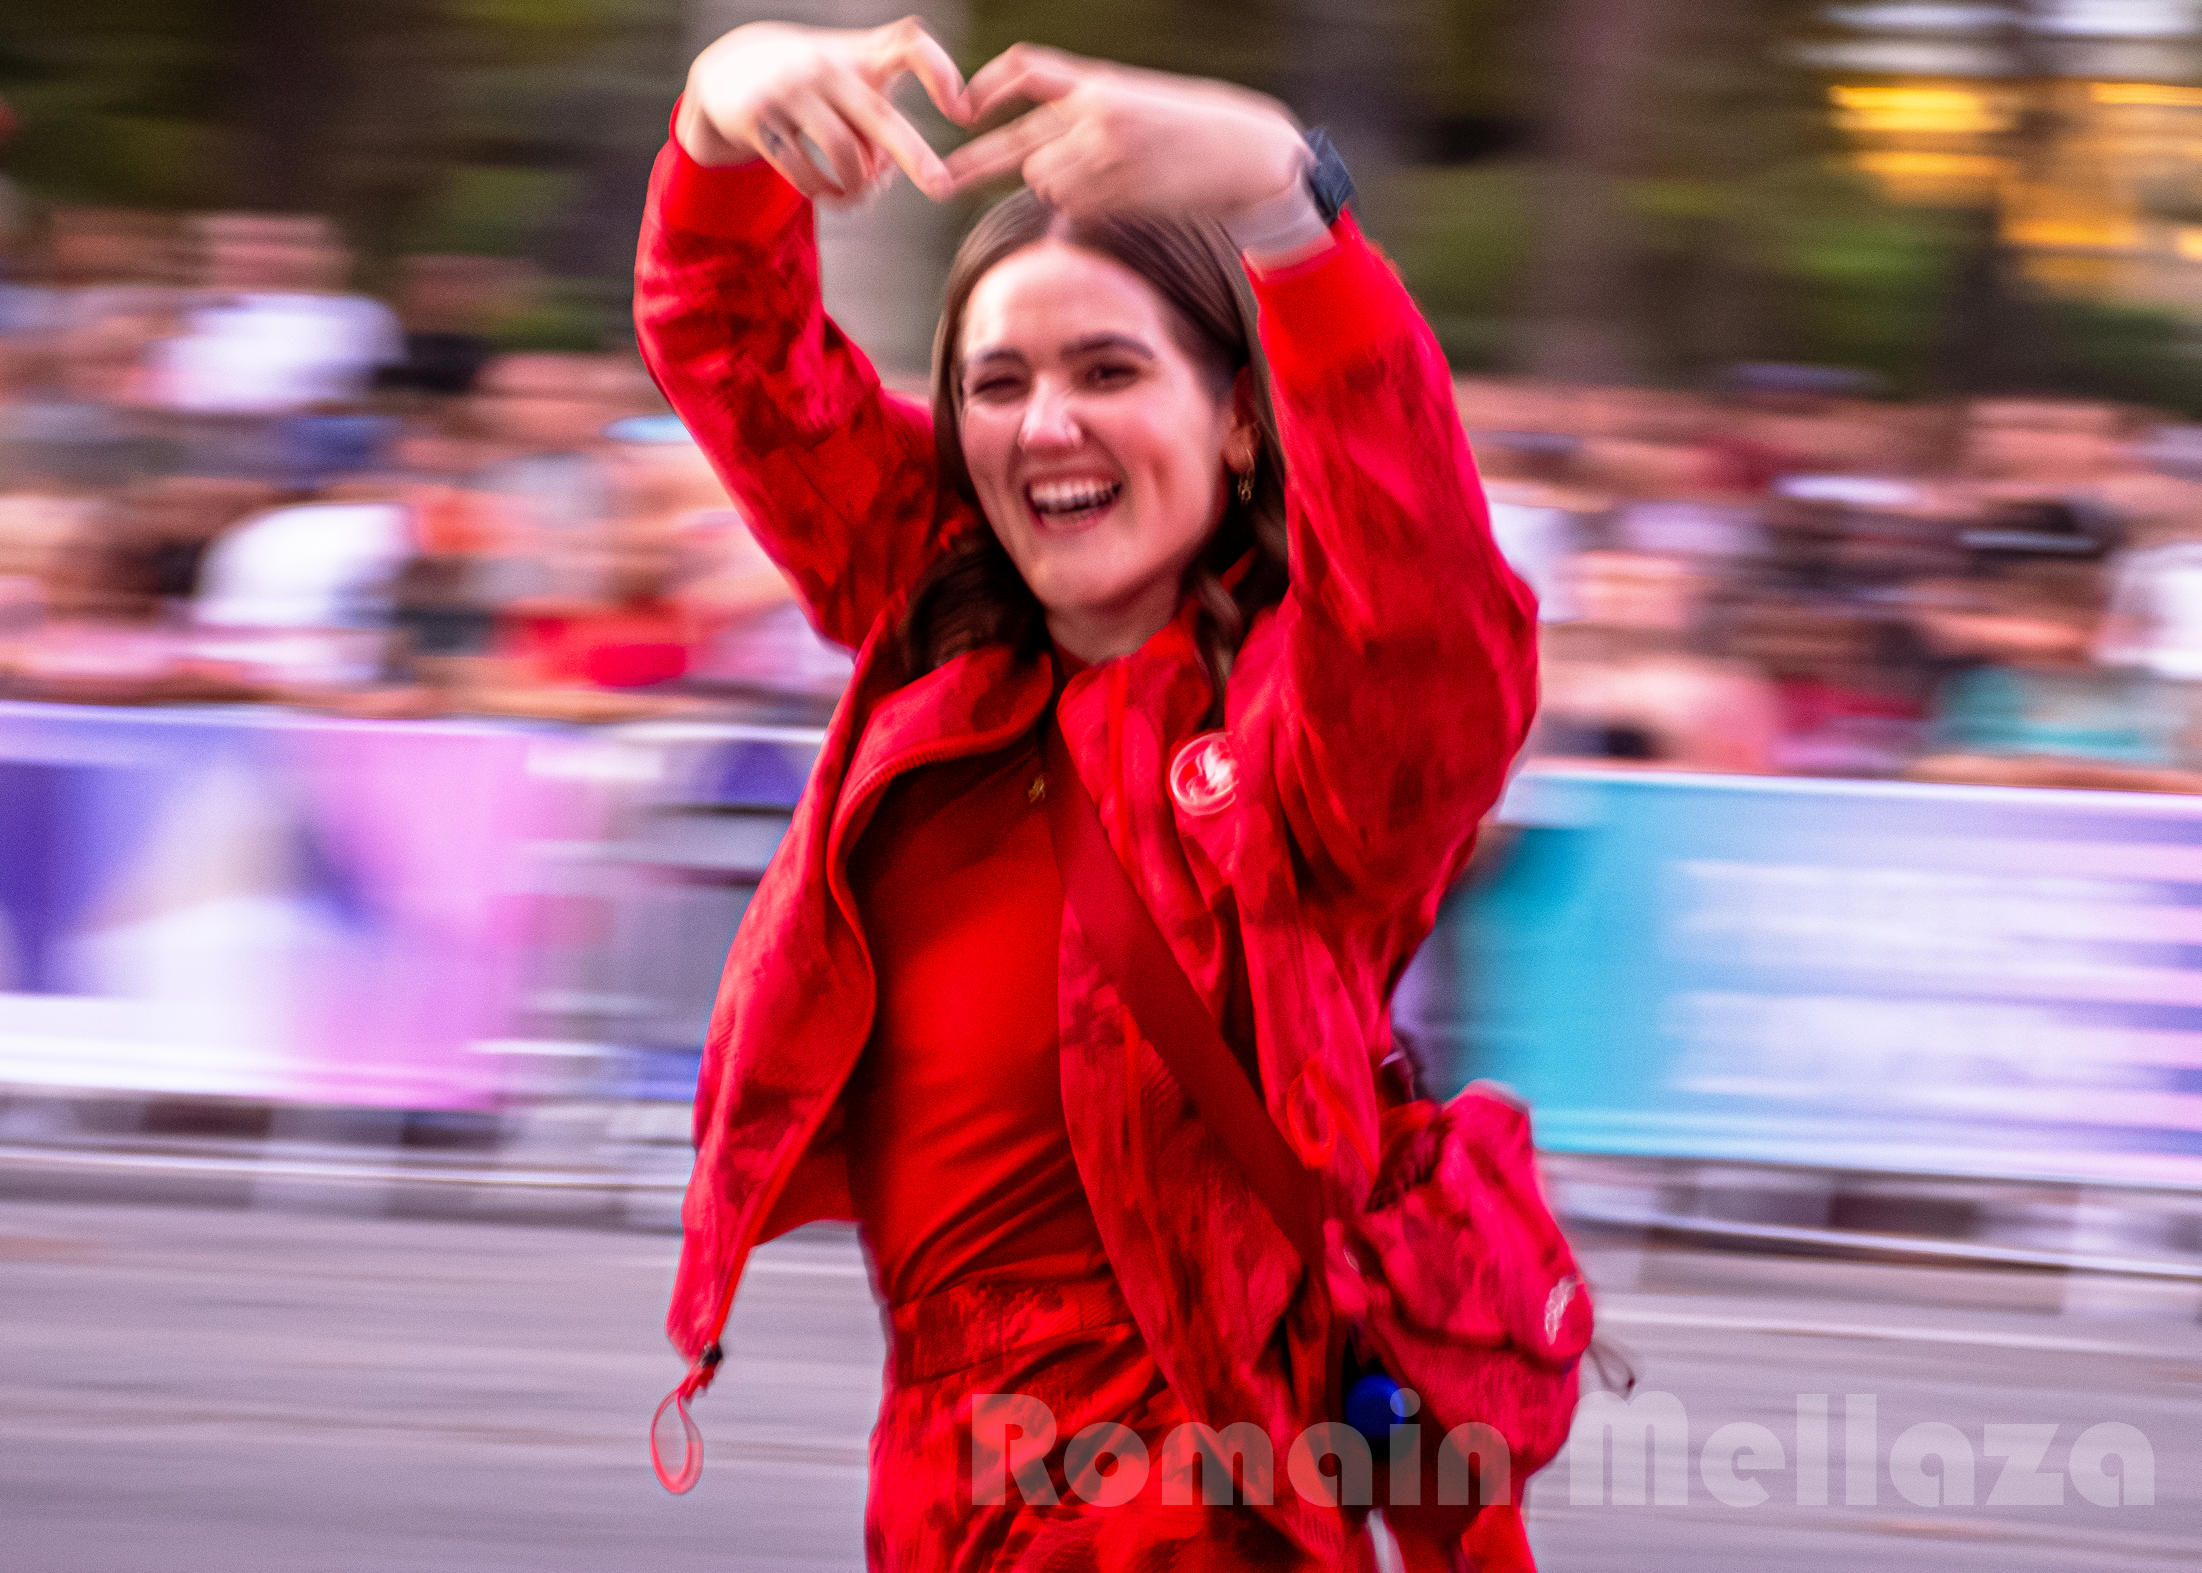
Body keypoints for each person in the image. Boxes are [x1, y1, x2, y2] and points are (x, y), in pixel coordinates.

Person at [638, 19, 1538, 1570]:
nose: (1043, 421)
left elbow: (1428, 606)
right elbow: (736, 353)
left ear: (1241, 421)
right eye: (997, 381)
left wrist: (1282, 205)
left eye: (1107, 370)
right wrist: (723, 108)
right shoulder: (923, 598)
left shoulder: (1314, 731)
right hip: (935, 1465)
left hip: (1180, 1486)